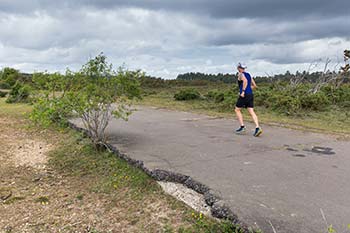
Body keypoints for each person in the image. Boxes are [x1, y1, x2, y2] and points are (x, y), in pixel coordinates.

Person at [234, 63, 262, 137]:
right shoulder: (249, 74)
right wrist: (248, 89)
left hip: (244, 95)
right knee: (251, 111)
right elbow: (254, 86)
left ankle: (242, 127)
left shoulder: (240, 74)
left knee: (237, 110)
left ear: (239, 68)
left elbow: (245, 81)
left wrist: (243, 91)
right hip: (250, 94)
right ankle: (257, 127)